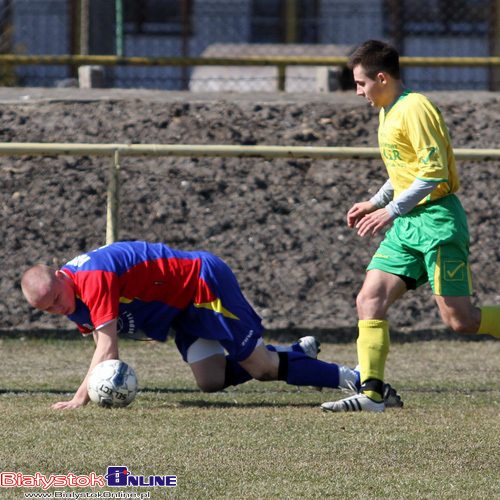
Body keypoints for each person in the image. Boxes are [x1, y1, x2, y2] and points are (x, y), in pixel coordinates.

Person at [321, 39, 500, 413]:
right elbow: (405, 171)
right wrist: (376, 201)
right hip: (408, 225)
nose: (358, 92)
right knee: (369, 299)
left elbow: (432, 173)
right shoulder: (388, 111)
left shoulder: (415, 108)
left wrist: (391, 212)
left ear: (381, 78)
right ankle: (372, 393)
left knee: (460, 321)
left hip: (437, 222)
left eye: (361, 84)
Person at [21, 240, 402, 410]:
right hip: (180, 311)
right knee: (210, 382)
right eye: (49, 309)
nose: (59, 308)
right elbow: (102, 343)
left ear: (60, 275)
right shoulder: (71, 300)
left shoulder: (91, 278)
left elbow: (108, 350)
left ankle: (359, 381)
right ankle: (294, 354)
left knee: (262, 368)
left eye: (57, 298)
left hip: (202, 284)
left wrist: (80, 397)